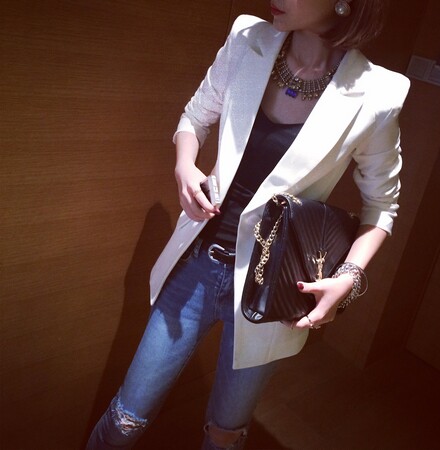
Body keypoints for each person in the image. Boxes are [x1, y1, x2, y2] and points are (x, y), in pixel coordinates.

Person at [86, 0, 409, 448]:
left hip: (272, 288)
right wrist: (184, 167)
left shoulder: (377, 95)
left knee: (226, 433)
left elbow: (382, 205)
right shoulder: (247, 39)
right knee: (126, 419)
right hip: (198, 264)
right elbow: (195, 116)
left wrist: (348, 277)